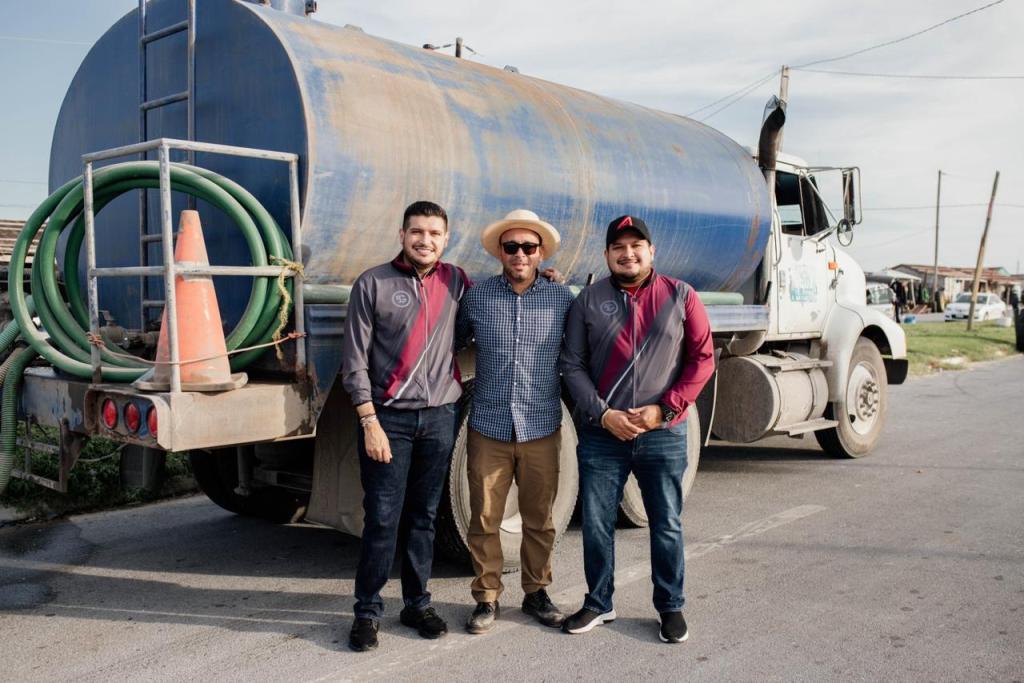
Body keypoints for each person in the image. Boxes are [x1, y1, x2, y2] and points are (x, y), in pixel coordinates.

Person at [560, 215, 714, 644]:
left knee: (665, 523)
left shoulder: (681, 296)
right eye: (618, 247)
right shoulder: (588, 300)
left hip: (662, 433)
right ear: (607, 254)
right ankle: (598, 602)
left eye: (636, 245)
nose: (628, 253)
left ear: (651, 251)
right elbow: (571, 364)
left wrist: (664, 410)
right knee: (596, 523)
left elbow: (702, 360)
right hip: (602, 434)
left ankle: (670, 607)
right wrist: (603, 414)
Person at [340, 200, 471, 652]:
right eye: (417, 232)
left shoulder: (457, 281)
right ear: (402, 235)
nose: (425, 240)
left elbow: (490, 314)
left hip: (439, 417)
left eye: (434, 234)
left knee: (424, 517)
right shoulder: (373, 282)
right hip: (388, 421)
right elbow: (353, 362)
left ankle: (417, 604)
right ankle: (367, 612)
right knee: (381, 519)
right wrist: (369, 421)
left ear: (446, 239)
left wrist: (544, 280)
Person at [456, 209, 575, 634]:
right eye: (512, 247)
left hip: (542, 423)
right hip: (488, 424)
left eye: (528, 247)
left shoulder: (563, 299)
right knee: (484, 518)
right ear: (500, 253)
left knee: (539, 517)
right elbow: (450, 342)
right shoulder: (478, 297)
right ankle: (486, 598)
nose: (520, 254)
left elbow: (581, 353)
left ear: (540, 252)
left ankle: (537, 592)